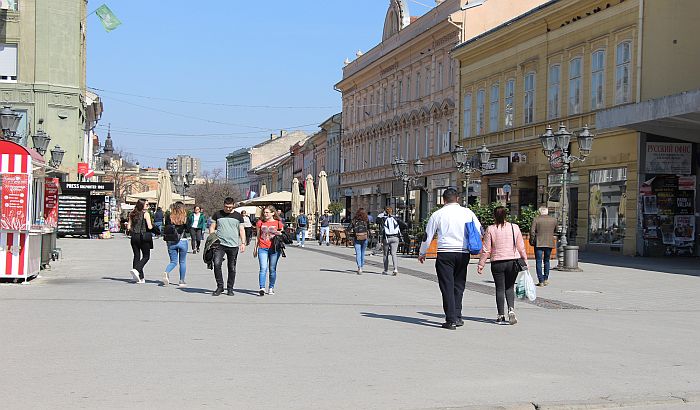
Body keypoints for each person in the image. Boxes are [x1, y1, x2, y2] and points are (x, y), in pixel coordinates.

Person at [418, 188, 482, 330]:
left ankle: (451, 319)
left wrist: (422, 252)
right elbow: (479, 230)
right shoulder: (468, 213)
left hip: (445, 253)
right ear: (457, 199)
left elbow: (427, 235)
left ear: (444, 200)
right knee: (459, 285)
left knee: (447, 286)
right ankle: (458, 316)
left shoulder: (438, 214)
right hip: (463, 253)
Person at [477, 206, 528, 325]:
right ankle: (511, 309)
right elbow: (521, 246)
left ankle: (500, 315)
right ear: (506, 215)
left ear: (494, 216)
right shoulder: (514, 227)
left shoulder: (490, 229)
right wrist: (524, 260)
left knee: (500, 288)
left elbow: (486, 250)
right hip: (513, 262)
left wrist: (481, 264)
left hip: (497, 262)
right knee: (509, 287)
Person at [209, 197, 246, 296]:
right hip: (219, 244)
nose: (228, 209)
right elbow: (212, 227)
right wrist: (212, 238)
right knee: (216, 264)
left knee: (232, 267)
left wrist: (243, 243)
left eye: (230, 207)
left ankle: (230, 288)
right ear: (223, 205)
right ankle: (220, 287)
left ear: (233, 205)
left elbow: (241, 230)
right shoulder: (218, 214)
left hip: (233, 245)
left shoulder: (238, 216)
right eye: (226, 207)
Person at [254, 205, 284, 296]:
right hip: (262, 248)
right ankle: (262, 287)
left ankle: (271, 287)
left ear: (272, 213)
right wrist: (255, 248)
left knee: (272, 269)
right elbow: (258, 236)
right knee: (263, 268)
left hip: (274, 248)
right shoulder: (260, 222)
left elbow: (282, 234)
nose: (265, 214)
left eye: (267, 212)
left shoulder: (278, 222)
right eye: (264, 212)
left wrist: (279, 233)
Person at [163, 201, 189, 287]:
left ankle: (166, 272)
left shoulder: (169, 217)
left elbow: (166, 229)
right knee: (182, 261)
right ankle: (181, 281)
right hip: (183, 240)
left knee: (173, 261)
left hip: (171, 241)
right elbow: (188, 229)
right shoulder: (185, 217)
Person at [127, 199, 153, 284]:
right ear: (142, 205)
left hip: (134, 236)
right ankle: (136, 270)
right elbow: (149, 227)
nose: (148, 206)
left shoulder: (132, 214)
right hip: (143, 237)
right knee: (146, 256)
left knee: (136, 255)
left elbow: (128, 227)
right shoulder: (146, 214)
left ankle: (140, 278)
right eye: (147, 205)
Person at [530, 206, 557, 286]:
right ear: (547, 212)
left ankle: (540, 280)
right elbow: (556, 230)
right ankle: (546, 279)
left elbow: (532, 231)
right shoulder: (553, 220)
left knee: (538, 261)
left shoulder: (536, 219)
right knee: (547, 261)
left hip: (539, 243)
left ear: (540, 212)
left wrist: (532, 240)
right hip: (549, 242)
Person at [380, 207, 407, 276]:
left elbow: (377, 221)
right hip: (395, 237)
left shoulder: (383, 218)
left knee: (385, 254)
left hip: (386, 238)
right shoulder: (396, 218)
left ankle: (385, 270)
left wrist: (382, 214)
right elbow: (404, 225)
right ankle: (395, 269)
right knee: (393, 253)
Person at [349, 208, 370, 274]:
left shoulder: (354, 220)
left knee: (358, 253)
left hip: (357, 238)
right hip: (364, 237)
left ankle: (359, 267)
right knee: (363, 253)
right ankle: (362, 266)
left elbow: (349, 228)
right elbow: (369, 228)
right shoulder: (366, 220)